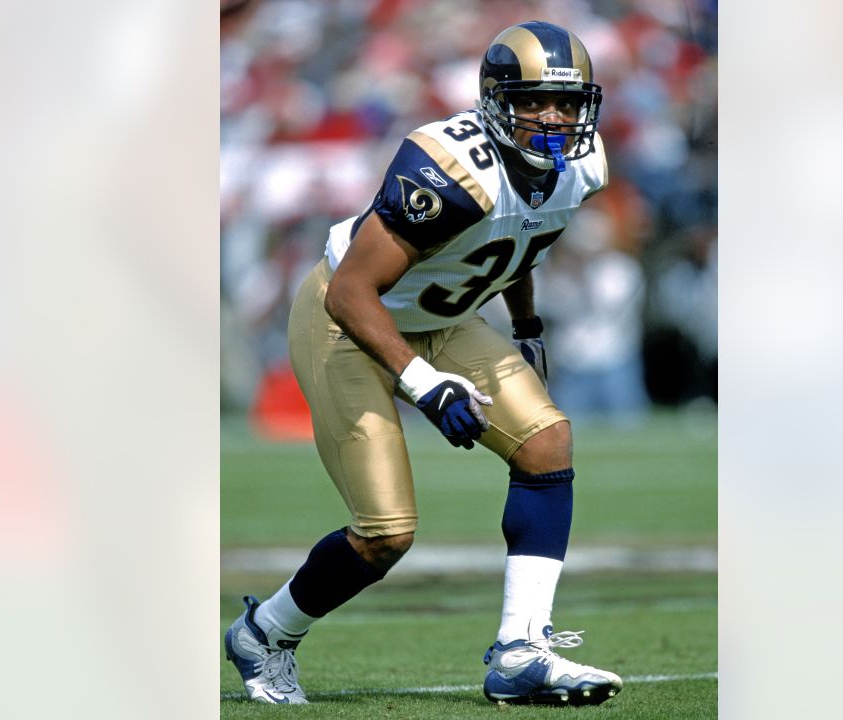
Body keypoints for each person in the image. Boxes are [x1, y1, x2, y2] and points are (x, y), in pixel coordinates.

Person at [225, 20, 623, 707]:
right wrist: (425, 386)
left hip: (441, 319)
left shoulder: (580, 167)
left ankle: (521, 649)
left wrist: (526, 326)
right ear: (497, 100)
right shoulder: (447, 169)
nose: (554, 117)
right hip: (346, 319)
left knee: (546, 440)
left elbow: (519, 241)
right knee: (385, 533)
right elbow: (353, 289)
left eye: (566, 102)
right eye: (534, 101)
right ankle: (265, 631)